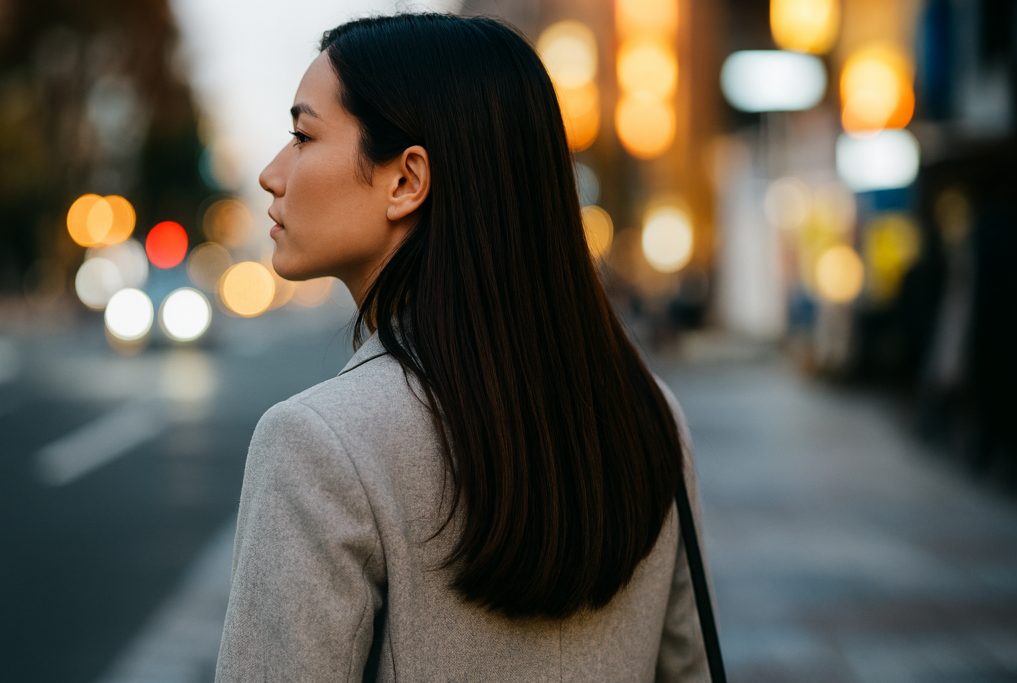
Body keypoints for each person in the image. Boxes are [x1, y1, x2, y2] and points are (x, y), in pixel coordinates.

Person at [215, 13, 712, 682]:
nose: (273, 175)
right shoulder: (648, 417)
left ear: (406, 181)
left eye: (303, 135)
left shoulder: (317, 445)